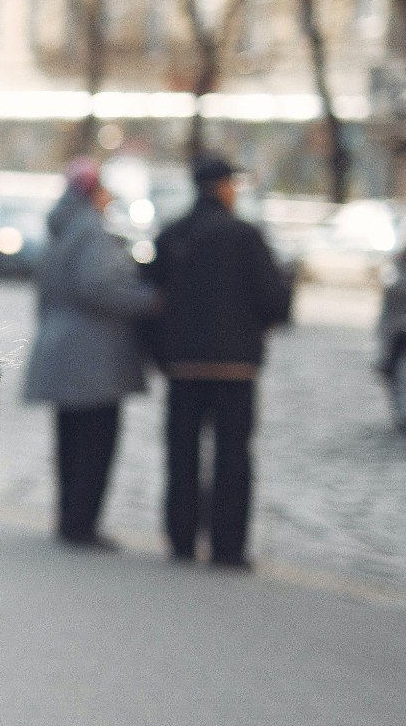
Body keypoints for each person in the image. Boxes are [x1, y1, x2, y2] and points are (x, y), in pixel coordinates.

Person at [144, 155, 292, 568]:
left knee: (182, 454)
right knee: (233, 457)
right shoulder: (246, 236)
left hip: (183, 367)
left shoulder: (173, 234)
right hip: (235, 367)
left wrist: (164, 353)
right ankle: (228, 547)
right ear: (226, 187)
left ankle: (182, 540)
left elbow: (151, 299)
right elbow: (274, 300)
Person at [22, 158, 158, 548]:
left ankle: (69, 518)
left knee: (70, 440)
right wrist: (147, 300)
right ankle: (82, 524)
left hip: (62, 349)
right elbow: (97, 286)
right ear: (93, 191)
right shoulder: (92, 232)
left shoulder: (61, 229)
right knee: (95, 443)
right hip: (93, 357)